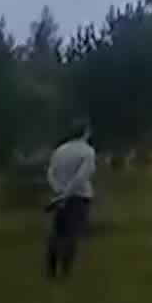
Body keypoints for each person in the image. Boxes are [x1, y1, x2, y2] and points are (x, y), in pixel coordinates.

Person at [45, 120, 97, 281]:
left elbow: (50, 172)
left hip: (59, 197)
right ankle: (65, 273)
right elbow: (82, 177)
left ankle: (51, 270)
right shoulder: (87, 151)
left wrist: (58, 192)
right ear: (86, 132)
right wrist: (66, 194)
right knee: (72, 235)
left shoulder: (60, 150)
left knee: (57, 233)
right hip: (79, 197)